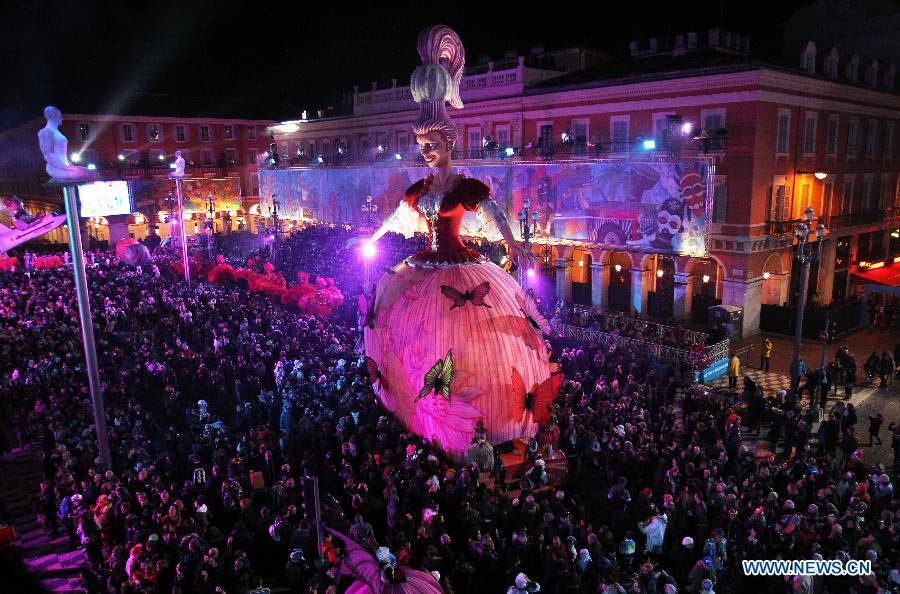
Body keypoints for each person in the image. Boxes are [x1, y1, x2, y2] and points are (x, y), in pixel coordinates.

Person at [348, 25, 548, 456]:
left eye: (432, 143)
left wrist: (512, 243)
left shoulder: (462, 187)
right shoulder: (420, 190)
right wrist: (371, 236)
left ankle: (481, 423)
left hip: (459, 262)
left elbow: (492, 211)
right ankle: (421, 412)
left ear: (448, 142)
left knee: (471, 337)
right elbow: (395, 216)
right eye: (421, 143)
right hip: (425, 263)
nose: (425, 150)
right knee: (417, 331)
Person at [37, 106, 92, 182]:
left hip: (65, 166)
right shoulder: (45, 132)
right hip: (56, 168)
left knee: (88, 171)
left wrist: (71, 166)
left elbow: (63, 155)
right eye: (59, 116)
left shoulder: (57, 132)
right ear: (53, 116)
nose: (61, 118)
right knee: (86, 173)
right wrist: (66, 168)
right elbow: (48, 154)